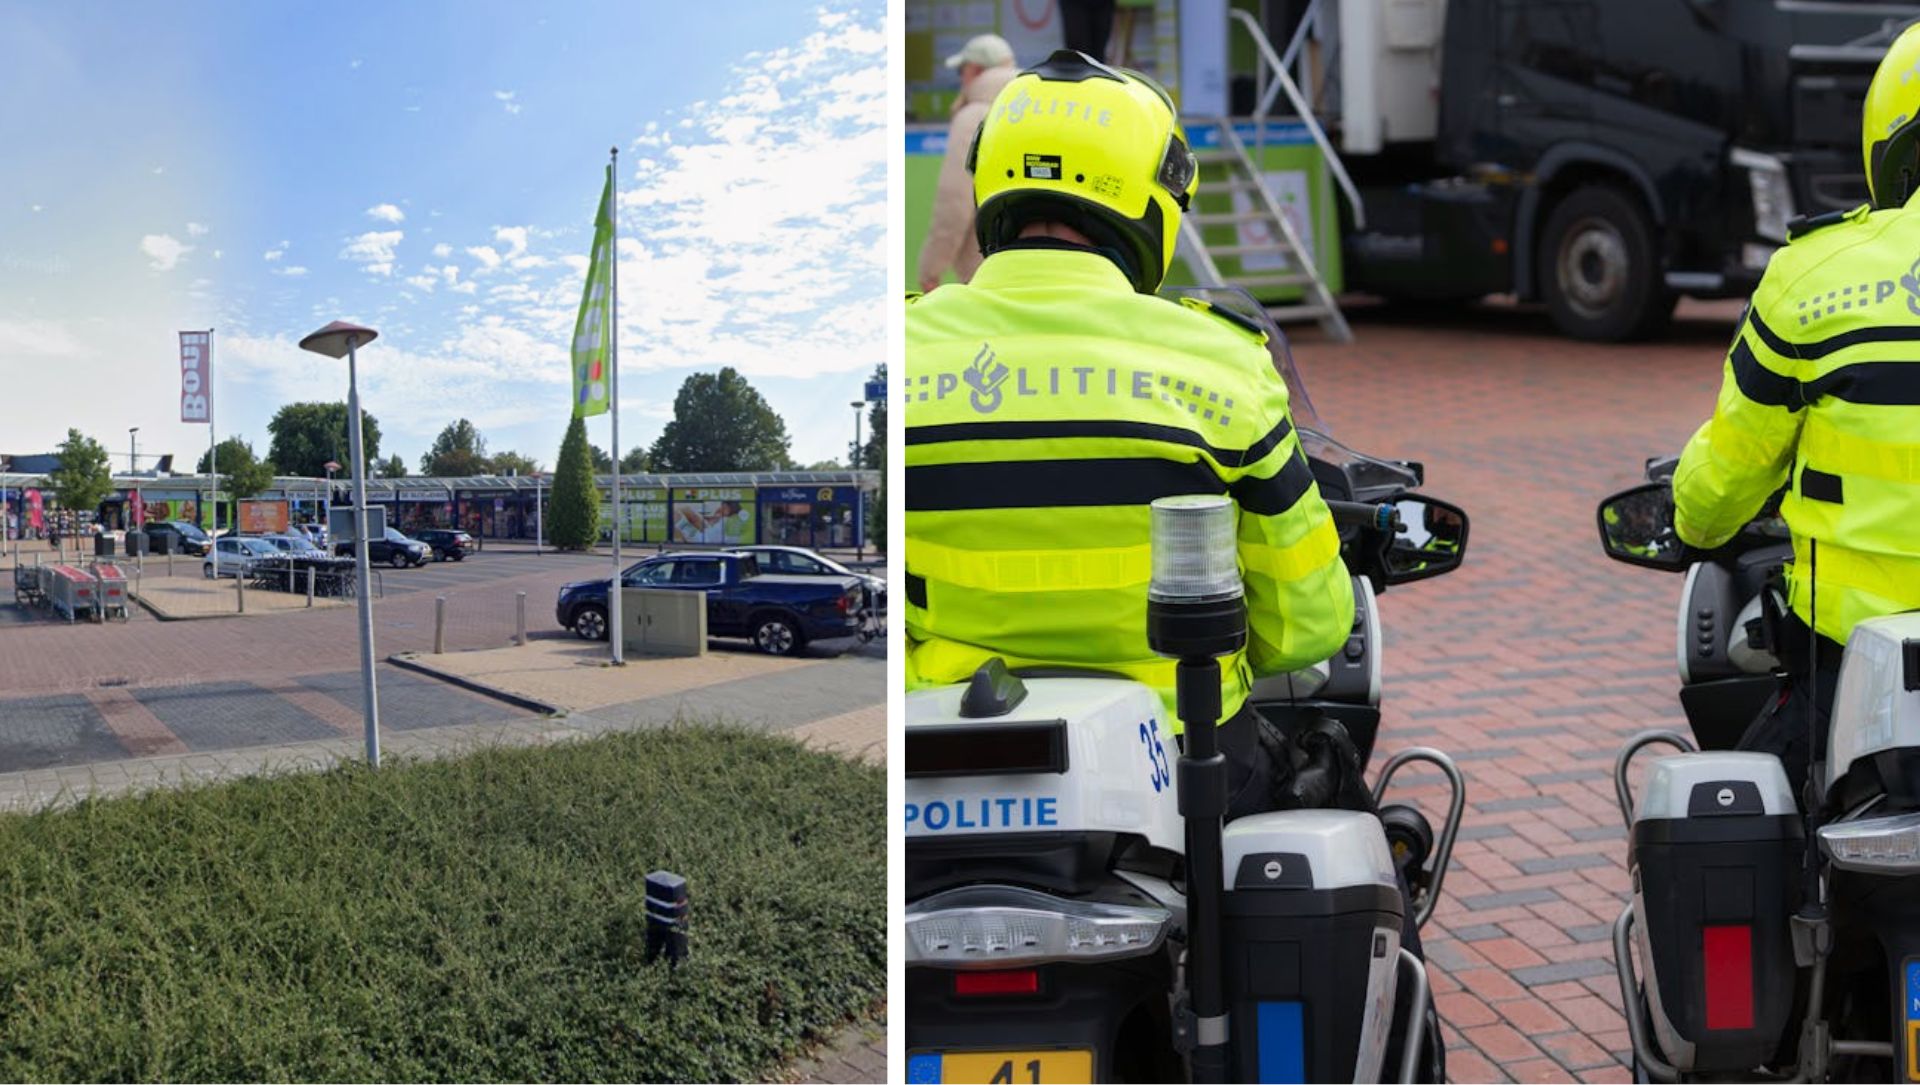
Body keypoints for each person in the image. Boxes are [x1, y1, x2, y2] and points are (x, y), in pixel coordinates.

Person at [904, 50, 1356, 820]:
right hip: (1184, 762)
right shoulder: (1220, 361)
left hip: (940, 760)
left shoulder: (899, 347)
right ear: (1150, 198)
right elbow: (1309, 622)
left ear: (996, 184)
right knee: (1340, 799)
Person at [1672, 21, 1920, 805]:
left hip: (1850, 674)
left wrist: (1693, 524)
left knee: (1739, 822)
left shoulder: (1813, 276)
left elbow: (1725, 480)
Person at [916, 34, 1017, 294]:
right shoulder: (1035, 105)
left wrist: (931, 268)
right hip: (1037, 260)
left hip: (985, 271)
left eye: (962, 70)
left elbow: (955, 201)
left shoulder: (973, 117)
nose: (961, 77)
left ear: (974, 70)